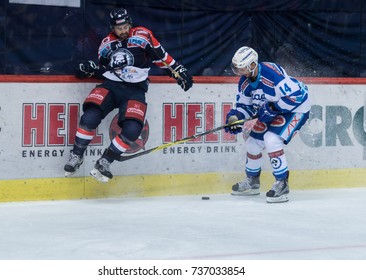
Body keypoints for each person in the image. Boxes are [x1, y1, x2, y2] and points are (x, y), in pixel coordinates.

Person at [64, 8, 193, 182]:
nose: (123, 31)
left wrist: (178, 70)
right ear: (112, 28)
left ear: (130, 23)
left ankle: (105, 161)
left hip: (135, 89)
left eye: (125, 26)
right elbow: (100, 68)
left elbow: (160, 56)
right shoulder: (106, 43)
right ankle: (76, 156)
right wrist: (87, 69)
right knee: (90, 117)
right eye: (119, 28)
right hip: (111, 85)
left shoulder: (143, 35)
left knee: (133, 129)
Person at [225, 46, 310, 203]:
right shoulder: (244, 82)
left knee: (271, 139)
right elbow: (245, 107)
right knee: (252, 143)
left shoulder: (272, 74)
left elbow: (298, 96)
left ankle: (282, 183)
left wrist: (273, 107)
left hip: (296, 110)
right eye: (237, 68)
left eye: (241, 68)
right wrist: (235, 117)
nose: (238, 72)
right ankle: (253, 181)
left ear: (252, 65)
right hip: (274, 111)